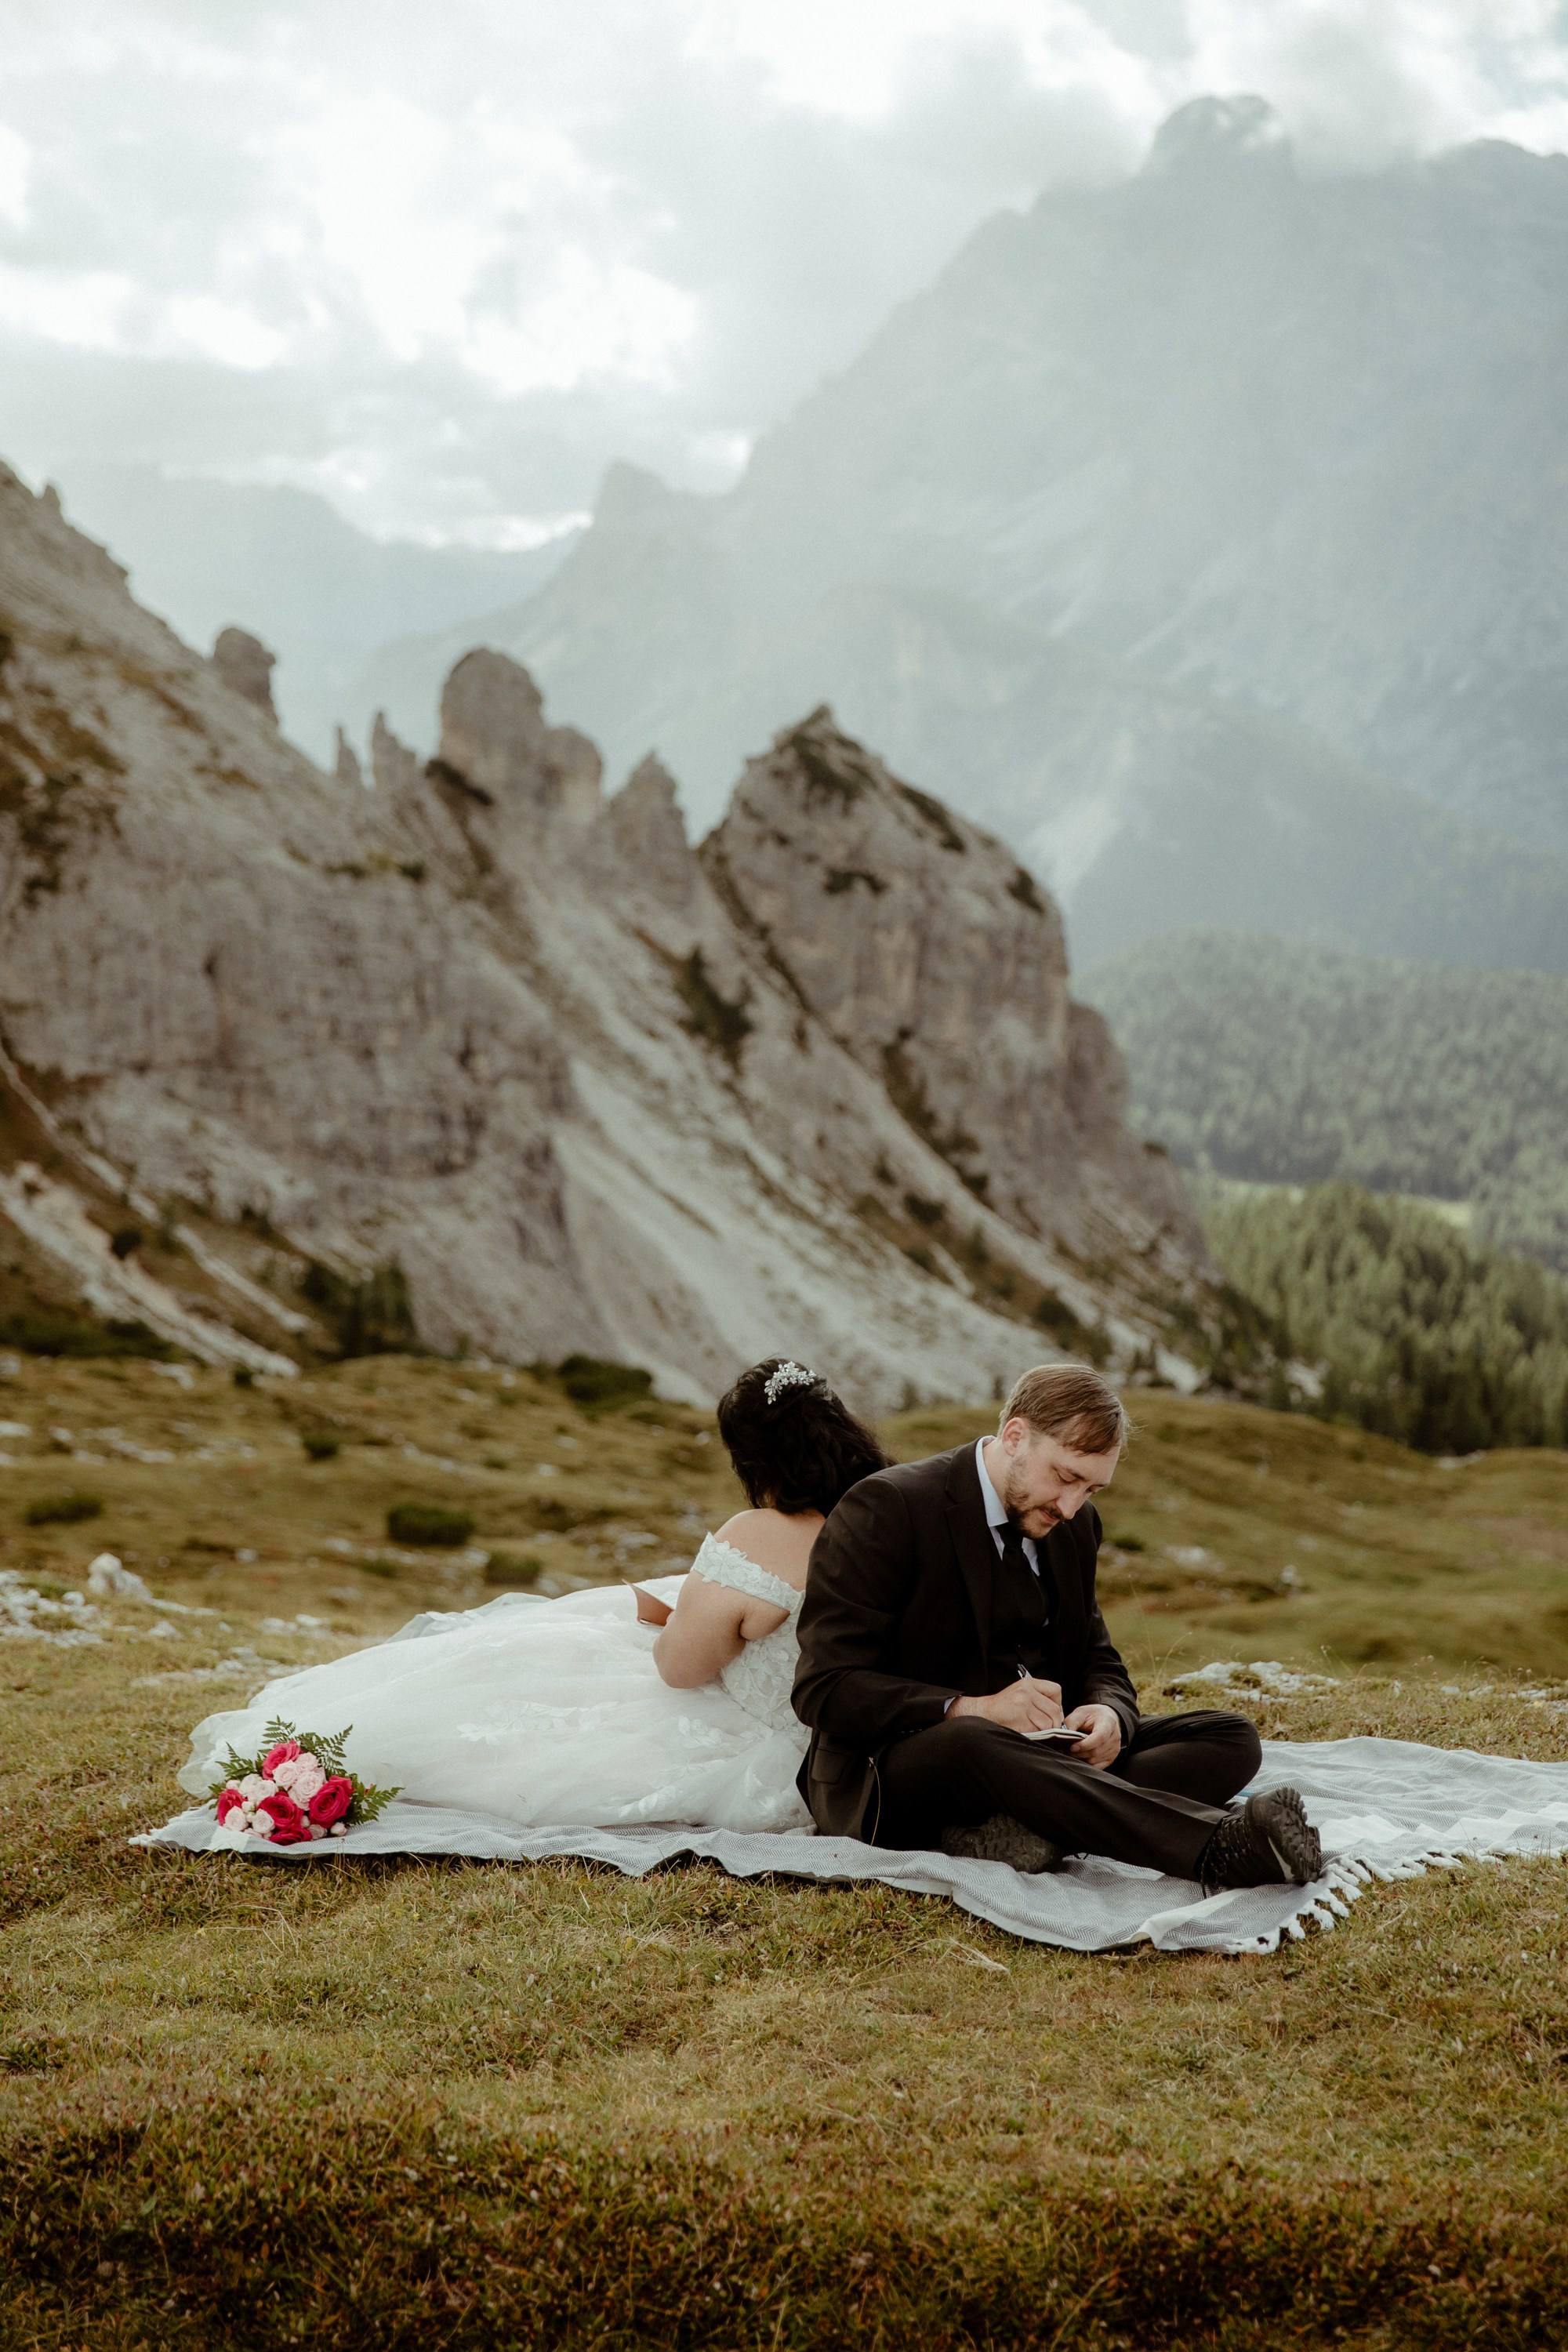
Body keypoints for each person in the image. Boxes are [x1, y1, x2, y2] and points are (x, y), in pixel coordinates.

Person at [176, 1358, 888, 1835]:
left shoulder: (762, 1532)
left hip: (771, 1744)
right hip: (858, 1735)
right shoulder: (886, 1515)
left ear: (754, 1459)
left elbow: (680, 1668)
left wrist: (695, 1617)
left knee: (538, 1676)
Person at [791, 1363, 1323, 1891]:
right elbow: (824, 1688)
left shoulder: (1074, 1526)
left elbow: (1097, 1654)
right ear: (1015, 1436)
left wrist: (1111, 1714)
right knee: (974, 1741)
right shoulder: (889, 1507)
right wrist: (973, 1708)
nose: (1071, 1506)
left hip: (1040, 1755)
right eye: (1066, 1477)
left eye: (1092, 1490)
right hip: (897, 1769)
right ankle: (1217, 1850)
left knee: (1229, 1737)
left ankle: (1025, 1828)